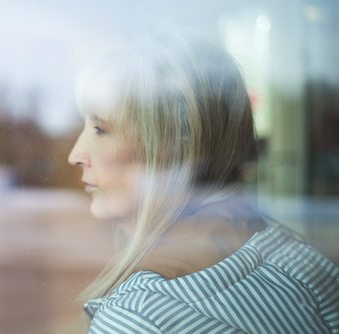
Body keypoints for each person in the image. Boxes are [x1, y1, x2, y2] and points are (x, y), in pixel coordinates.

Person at [68, 34, 339, 333]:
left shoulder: (138, 319)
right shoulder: (296, 257)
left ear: (175, 152)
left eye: (100, 129)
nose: (75, 155)